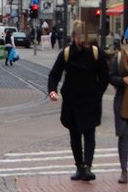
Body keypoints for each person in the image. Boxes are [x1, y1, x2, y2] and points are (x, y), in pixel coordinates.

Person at [47, 21, 109, 181]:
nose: (83, 41)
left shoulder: (96, 53)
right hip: (72, 102)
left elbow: (104, 77)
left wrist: (97, 94)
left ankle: (87, 166)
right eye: (80, 37)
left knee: (89, 134)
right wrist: (52, 90)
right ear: (74, 37)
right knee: (75, 135)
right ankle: (80, 166)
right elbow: (54, 74)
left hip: (90, 101)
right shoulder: (66, 53)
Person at [108, 27, 128, 184]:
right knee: (123, 136)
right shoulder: (119, 57)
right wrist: (123, 81)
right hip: (122, 102)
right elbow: (111, 77)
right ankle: (124, 171)